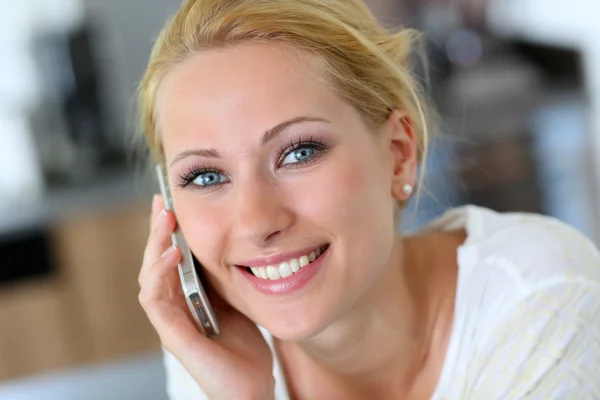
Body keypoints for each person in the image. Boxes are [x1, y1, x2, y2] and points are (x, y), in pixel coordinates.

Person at [136, 0, 600, 398]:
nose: (257, 222)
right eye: (204, 176)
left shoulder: (541, 296)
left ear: (398, 154)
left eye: (299, 152)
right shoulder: (214, 349)